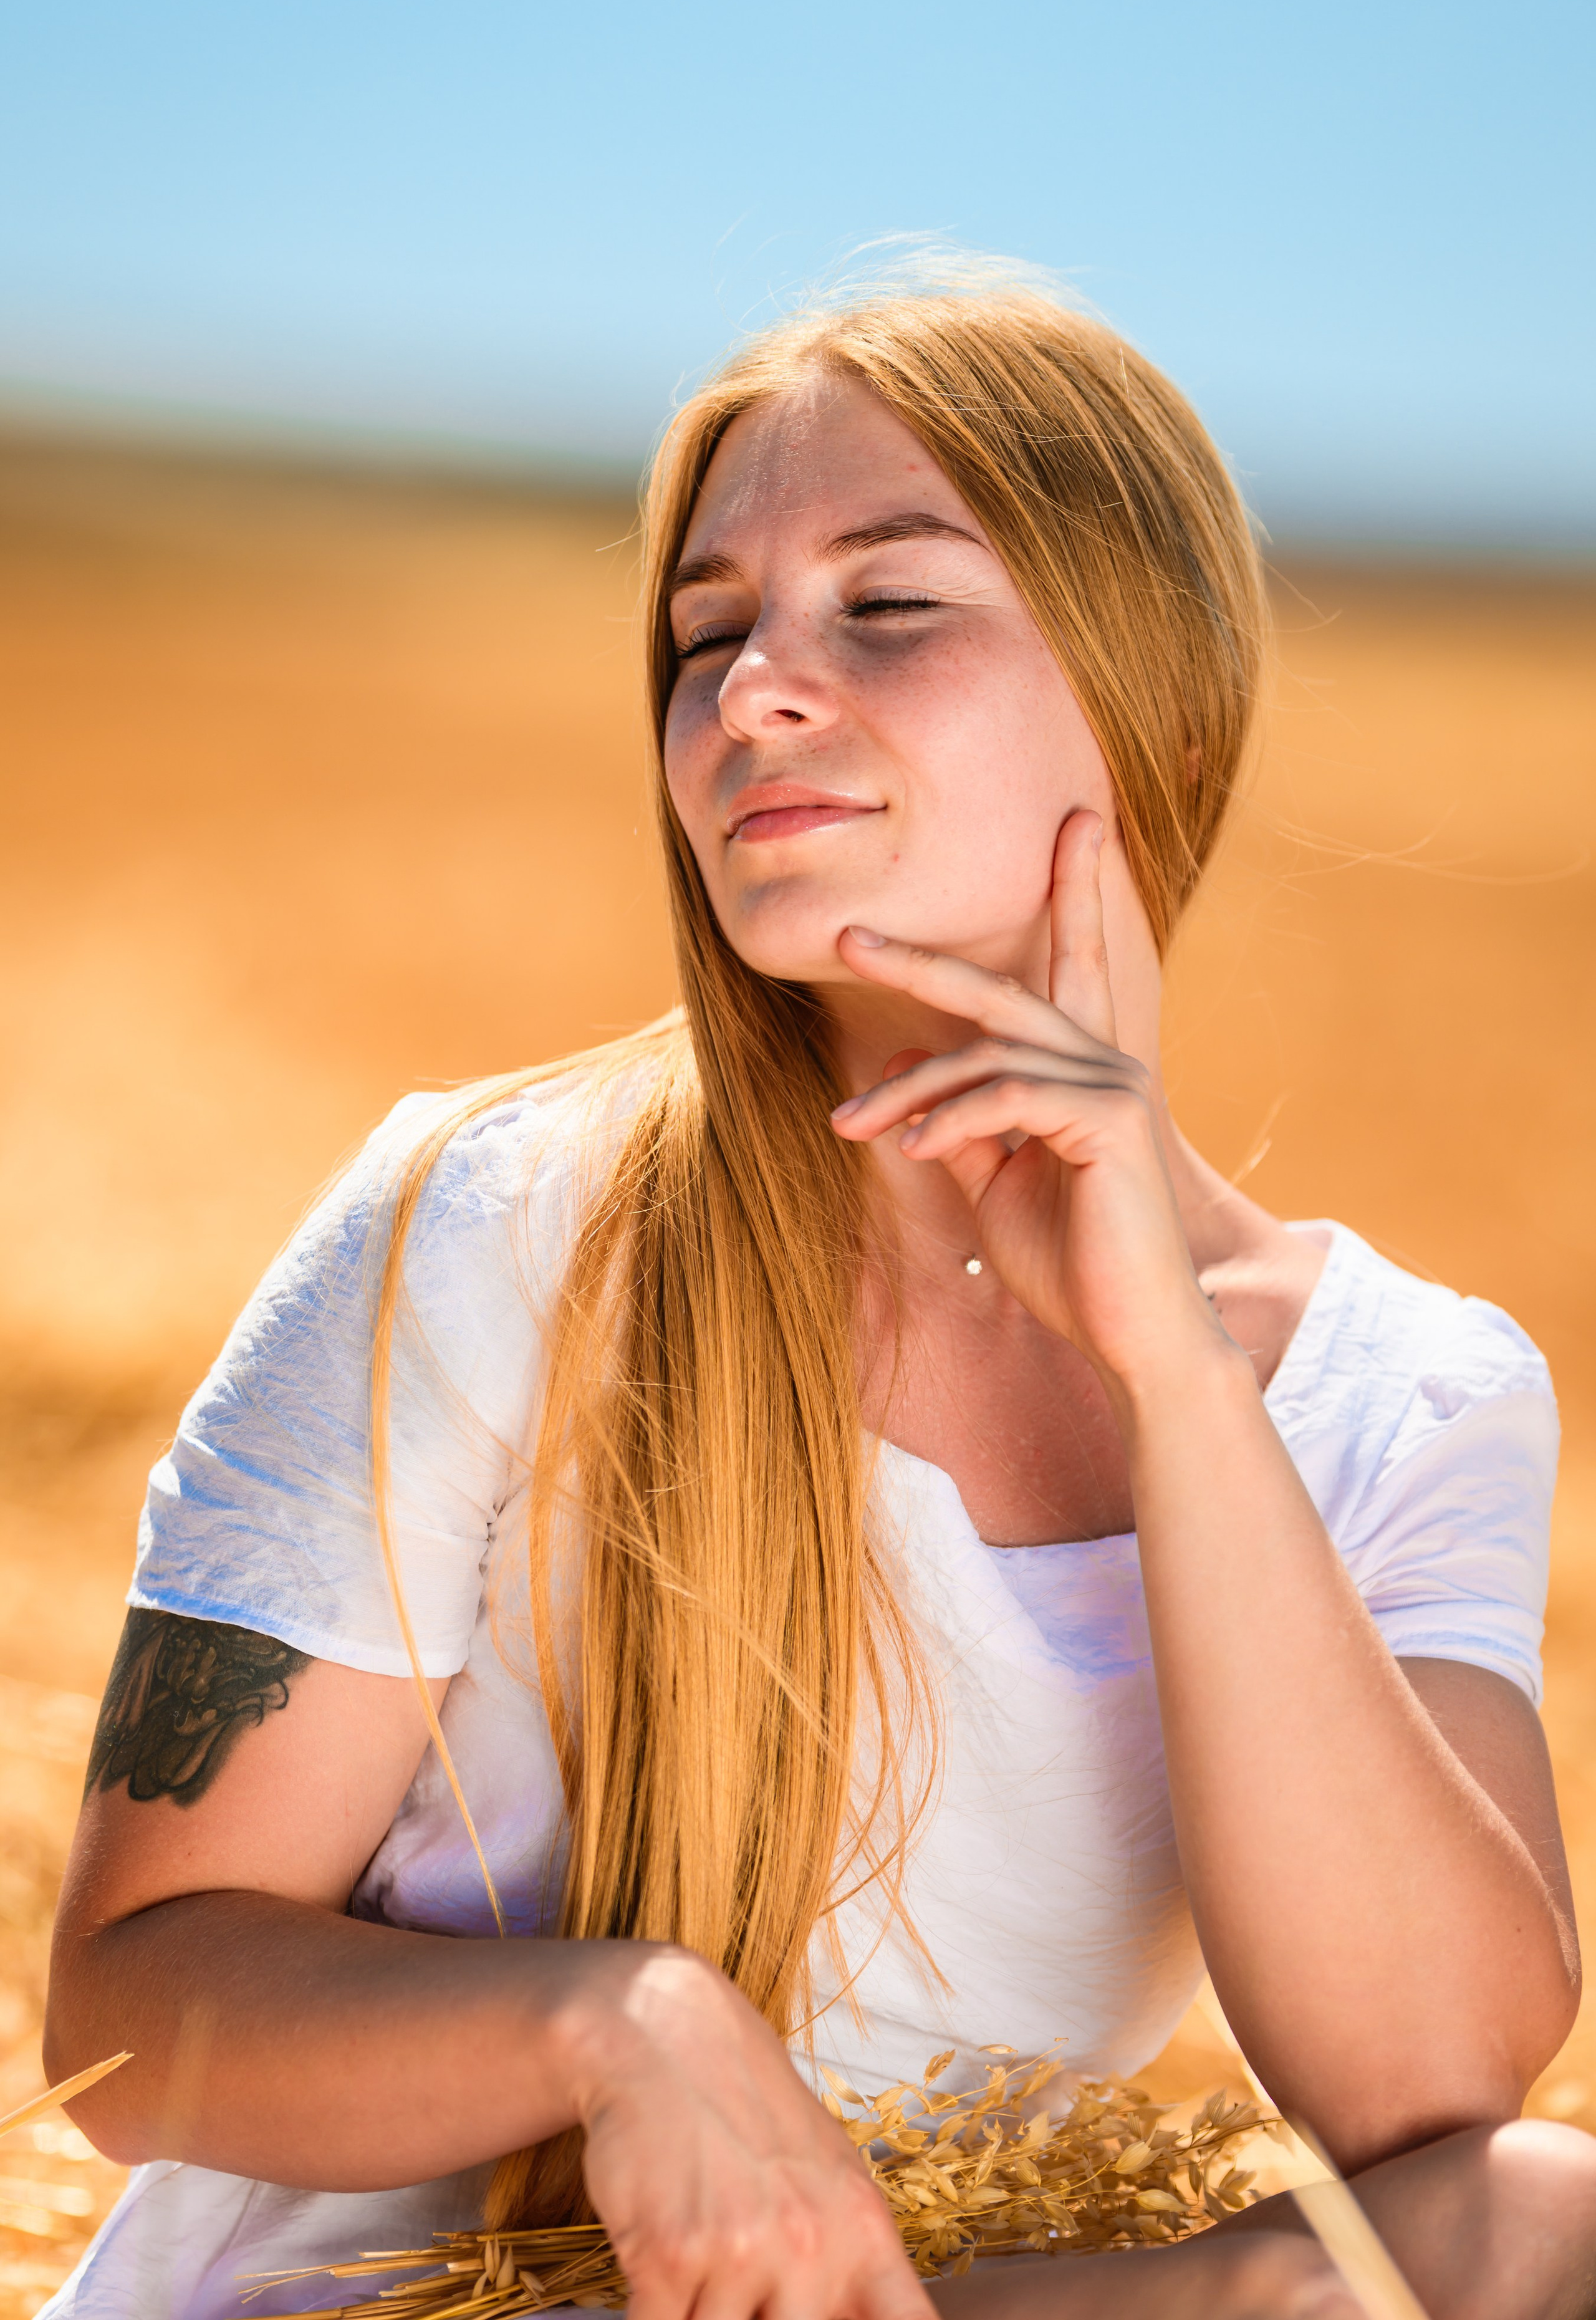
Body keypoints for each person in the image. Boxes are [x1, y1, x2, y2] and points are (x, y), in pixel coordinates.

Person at [41, 264, 1596, 2320]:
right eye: (706, 632)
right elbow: (127, 2027)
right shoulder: (496, 1217)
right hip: (418, 2302)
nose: (752, 688)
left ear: (1144, 685)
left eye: (887, 604)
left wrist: (1171, 1373)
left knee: (1540, 2228)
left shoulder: (1406, 1392)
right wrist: (625, 2031)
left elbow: (1423, 2081)